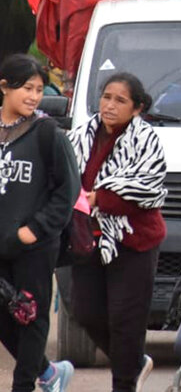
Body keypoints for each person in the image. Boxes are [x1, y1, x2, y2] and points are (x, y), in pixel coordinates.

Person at [67, 72, 167, 392]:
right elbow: (66, 178)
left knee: (126, 321)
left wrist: (99, 198)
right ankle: (135, 363)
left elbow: (147, 189)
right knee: (86, 313)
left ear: (137, 108)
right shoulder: (82, 135)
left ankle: (124, 383)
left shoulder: (146, 139)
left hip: (133, 241)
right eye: (106, 97)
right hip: (87, 238)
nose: (110, 105)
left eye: (120, 100)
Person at [0, 54, 80, 392]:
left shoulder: (48, 132)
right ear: (4, 87)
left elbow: (68, 189)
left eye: (38, 89)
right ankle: (48, 372)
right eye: (26, 89)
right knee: (4, 316)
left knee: (31, 316)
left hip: (35, 244)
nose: (33, 96)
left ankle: (25, 386)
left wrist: (33, 229)